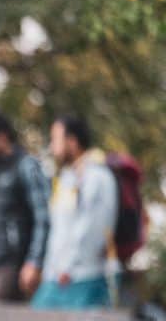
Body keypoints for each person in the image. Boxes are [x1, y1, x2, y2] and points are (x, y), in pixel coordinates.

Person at [31, 115, 120, 310]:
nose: (53, 147)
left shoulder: (97, 176)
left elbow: (92, 226)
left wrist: (68, 267)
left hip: (83, 278)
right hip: (56, 278)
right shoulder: (67, 177)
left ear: (72, 142)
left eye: (56, 139)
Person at [0, 112, 50, 300]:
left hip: (15, 261)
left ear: (1, 136)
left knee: (2, 318)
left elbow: (43, 216)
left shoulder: (26, 166)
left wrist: (34, 261)